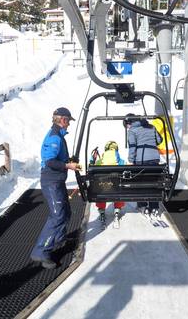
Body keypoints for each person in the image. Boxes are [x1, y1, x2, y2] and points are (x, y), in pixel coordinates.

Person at [30, 107, 80, 269]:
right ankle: (41, 252)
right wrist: (68, 165)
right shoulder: (54, 137)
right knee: (58, 216)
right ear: (63, 120)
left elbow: (56, 157)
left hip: (57, 181)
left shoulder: (58, 135)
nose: (69, 125)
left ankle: (58, 239)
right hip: (51, 182)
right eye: (68, 121)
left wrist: (68, 160)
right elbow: (50, 161)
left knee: (65, 212)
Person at [124, 113, 162, 217]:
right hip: (154, 158)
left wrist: (130, 160)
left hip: (140, 160)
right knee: (154, 183)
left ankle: (143, 206)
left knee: (141, 183)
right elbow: (159, 140)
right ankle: (154, 207)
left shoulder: (132, 131)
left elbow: (133, 147)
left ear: (129, 123)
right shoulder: (151, 127)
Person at [90, 141, 125, 224]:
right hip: (116, 190)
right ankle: (117, 208)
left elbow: (91, 169)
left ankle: (102, 210)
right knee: (119, 187)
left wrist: (93, 160)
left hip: (103, 189)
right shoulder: (121, 162)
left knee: (99, 187)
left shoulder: (100, 161)